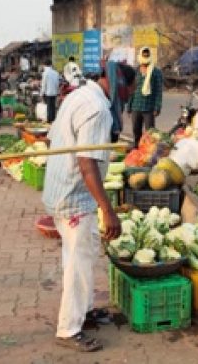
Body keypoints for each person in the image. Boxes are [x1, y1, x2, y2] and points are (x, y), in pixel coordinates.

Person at [42, 61, 136, 352]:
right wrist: (107, 210)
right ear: (121, 86)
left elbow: (53, 138)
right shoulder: (97, 109)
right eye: (129, 92)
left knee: (76, 257)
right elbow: (86, 163)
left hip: (59, 190)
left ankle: (83, 311)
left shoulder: (79, 94)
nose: (128, 98)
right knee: (79, 262)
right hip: (74, 198)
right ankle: (69, 329)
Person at [127, 47, 163, 147]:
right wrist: (129, 107)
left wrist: (157, 107)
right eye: (144, 55)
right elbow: (131, 90)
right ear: (141, 55)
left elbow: (158, 91)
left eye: (147, 55)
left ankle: (148, 153)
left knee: (150, 133)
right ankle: (136, 151)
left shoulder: (156, 72)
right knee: (136, 130)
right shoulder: (135, 71)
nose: (146, 57)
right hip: (136, 106)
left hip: (149, 107)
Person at [40, 59, 60, 123]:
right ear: (51, 64)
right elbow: (57, 83)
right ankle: (53, 120)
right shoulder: (56, 73)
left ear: (44, 65)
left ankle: (49, 121)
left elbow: (44, 84)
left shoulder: (45, 73)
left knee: (48, 107)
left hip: (48, 93)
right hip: (54, 92)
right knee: (53, 107)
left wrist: (41, 94)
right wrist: (57, 92)